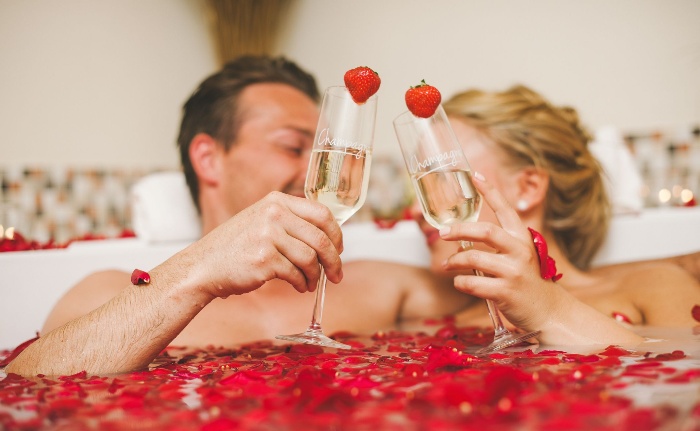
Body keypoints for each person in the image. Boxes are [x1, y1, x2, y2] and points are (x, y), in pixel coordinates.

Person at [5, 61, 644, 377]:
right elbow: (23, 386)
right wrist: (199, 269)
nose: (320, 167)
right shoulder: (108, 292)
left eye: (326, 147)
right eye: (293, 145)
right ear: (210, 158)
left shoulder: (383, 285)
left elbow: (554, 309)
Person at [410, 84, 700, 333]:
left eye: (441, 177)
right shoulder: (443, 321)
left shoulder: (653, 286)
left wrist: (548, 311)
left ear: (528, 187)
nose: (414, 209)